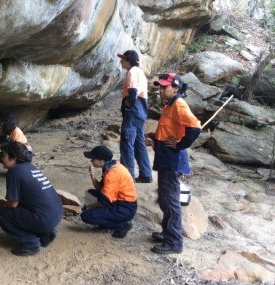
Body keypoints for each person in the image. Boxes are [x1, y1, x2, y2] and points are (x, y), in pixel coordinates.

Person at [146, 73, 201, 254]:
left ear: (175, 88)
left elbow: (195, 126)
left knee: (170, 201)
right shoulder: (169, 105)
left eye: (165, 87)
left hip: (172, 159)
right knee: (165, 198)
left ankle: (174, 242)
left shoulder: (178, 105)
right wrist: (156, 138)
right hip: (165, 157)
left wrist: (180, 145)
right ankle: (167, 232)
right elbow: (169, 128)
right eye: (160, 87)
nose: (161, 90)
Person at [0, 142, 63, 256]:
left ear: (14, 157)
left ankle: (30, 243)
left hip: (45, 219)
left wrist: (3, 205)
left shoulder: (14, 172)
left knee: (2, 214)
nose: (2, 158)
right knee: (25, 208)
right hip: (57, 214)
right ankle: (46, 234)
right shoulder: (30, 167)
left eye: (4, 155)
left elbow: (13, 204)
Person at [80, 145, 137, 239]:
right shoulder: (111, 166)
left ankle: (122, 225)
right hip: (120, 202)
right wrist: (92, 176)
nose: (91, 161)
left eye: (93, 159)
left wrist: (87, 208)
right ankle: (105, 220)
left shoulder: (112, 174)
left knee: (86, 216)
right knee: (90, 193)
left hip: (125, 208)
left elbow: (103, 201)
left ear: (100, 161)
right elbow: (100, 189)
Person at [117, 50, 152, 183]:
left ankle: (127, 178)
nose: (121, 62)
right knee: (139, 143)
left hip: (134, 110)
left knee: (127, 143)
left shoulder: (132, 72)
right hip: (141, 109)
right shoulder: (140, 72)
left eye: (123, 59)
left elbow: (132, 92)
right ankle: (146, 174)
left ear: (128, 60)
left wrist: (127, 107)